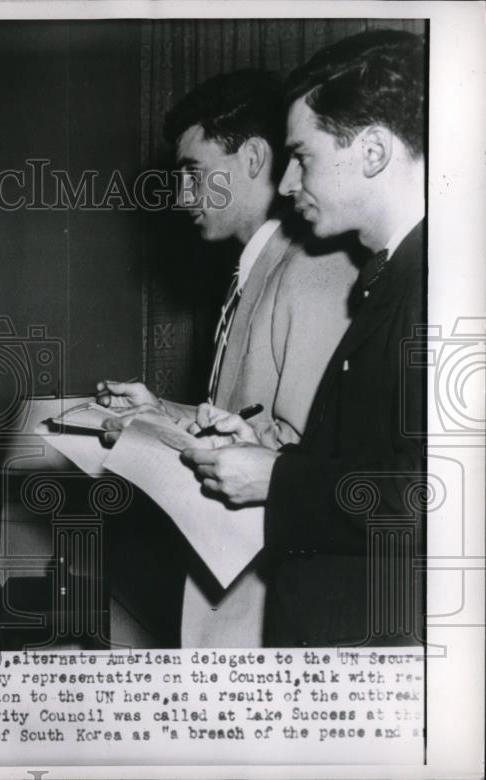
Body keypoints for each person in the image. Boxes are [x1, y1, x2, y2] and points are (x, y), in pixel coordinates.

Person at [182, 30, 427, 647]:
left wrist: (277, 479)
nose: (288, 185)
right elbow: (371, 462)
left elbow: (439, 496)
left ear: (372, 151)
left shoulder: (440, 281)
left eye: (304, 157)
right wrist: (277, 458)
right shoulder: (393, 275)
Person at [98, 71, 358, 646]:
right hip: (230, 581)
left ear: (253, 158)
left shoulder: (313, 273)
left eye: (194, 174)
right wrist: (159, 411)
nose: (182, 196)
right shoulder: (259, 269)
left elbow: (310, 458)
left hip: (266, 598)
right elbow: (249, 424)